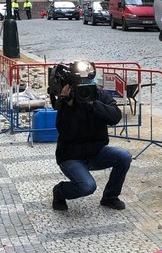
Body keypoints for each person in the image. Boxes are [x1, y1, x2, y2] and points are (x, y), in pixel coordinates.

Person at [52, 60, 131, 210]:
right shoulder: (67, 100)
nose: (85, 86)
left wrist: (93, 104)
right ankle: (59, 191)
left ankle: (110, 196)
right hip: (71, 157)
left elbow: (115, 116)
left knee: (124, 156)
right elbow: (66, 132)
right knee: (87, 186)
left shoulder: (100, 95)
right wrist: (66, 104)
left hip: (96, 152)